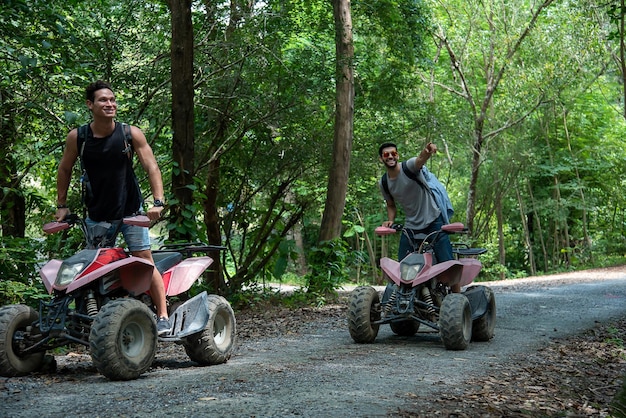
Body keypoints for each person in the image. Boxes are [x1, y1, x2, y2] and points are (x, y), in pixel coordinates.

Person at [54, 80, 172, 334]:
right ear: (90, 105)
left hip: (130, 212)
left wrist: (158, 202)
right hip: (97, 215)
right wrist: (61, 205)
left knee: (143, 260)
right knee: (93, 266)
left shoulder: (130, 133)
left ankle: (163, 315)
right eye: (103, 100)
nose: (110, 104)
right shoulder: (79, 137)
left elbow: (151, 166)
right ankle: (95, 318)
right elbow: (64, 169)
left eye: (112, 100)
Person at [378, 141, 459, 292]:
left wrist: (427, 151)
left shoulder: (408, 167)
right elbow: (390, 204)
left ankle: (458, 300)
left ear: (397, 155)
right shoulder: (384, 182)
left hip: (434, 220)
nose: (390, 156)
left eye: (393, 153)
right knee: (403, 268)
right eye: (386, 154)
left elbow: (420, 160)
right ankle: (406, 301)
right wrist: (390, 220)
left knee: (448, 265)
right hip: (411, 226)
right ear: (381, 159)